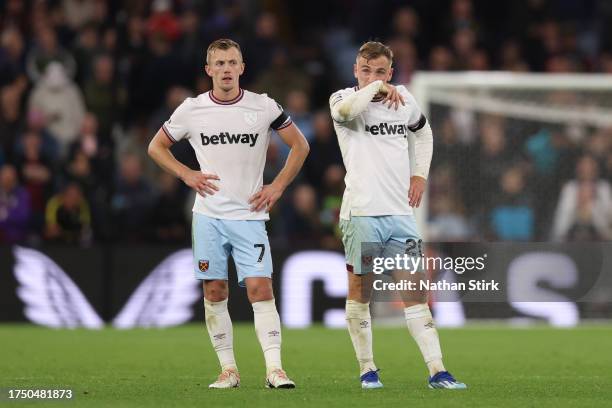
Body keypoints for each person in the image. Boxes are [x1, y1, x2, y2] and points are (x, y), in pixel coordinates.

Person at [148, 39, 309, 389]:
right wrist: (186, 174)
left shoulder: (263, 106)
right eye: (218, 63)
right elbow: (156, 146)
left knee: (260, 288)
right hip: (208, 216)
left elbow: (300, 145)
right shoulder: (192, 109)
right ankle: (229, 370)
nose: (225, 69)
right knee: (215, 291)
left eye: (231, 62)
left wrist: (278, 186)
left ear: (241, 67)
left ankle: (275, 370)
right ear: (208, 70)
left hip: (249, 215)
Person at [329, 41, 466, 390]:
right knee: (361, 291)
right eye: (365, 70)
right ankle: (367, 368)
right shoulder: (342, 99)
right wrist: (376, 87)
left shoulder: (404, 99)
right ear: (355, 71)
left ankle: (437, 370)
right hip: (360, 214)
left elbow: (424, 133)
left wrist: (419, 174)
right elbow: (346, 114)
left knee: (416, 290)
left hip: (400, 215)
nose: (371, 76)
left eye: (379, 72)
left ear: (391, 72)